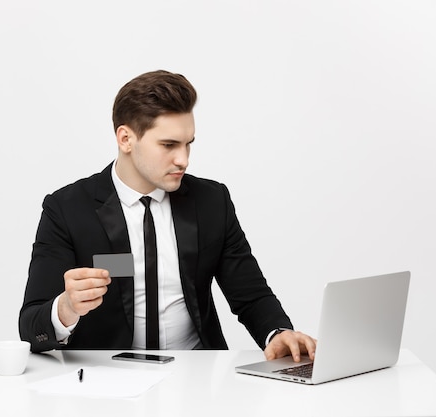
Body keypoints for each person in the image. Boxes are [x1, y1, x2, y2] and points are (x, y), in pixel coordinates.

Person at [19, 70, 316, 362]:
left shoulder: (212, 202)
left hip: (196, 376)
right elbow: (30, 327)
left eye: (188, 144)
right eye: (168, 145)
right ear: (125, 138)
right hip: (106, 379)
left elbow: (250, 295)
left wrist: (278, 333)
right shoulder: (67, 209)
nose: (183, 159)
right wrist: (67, 307)